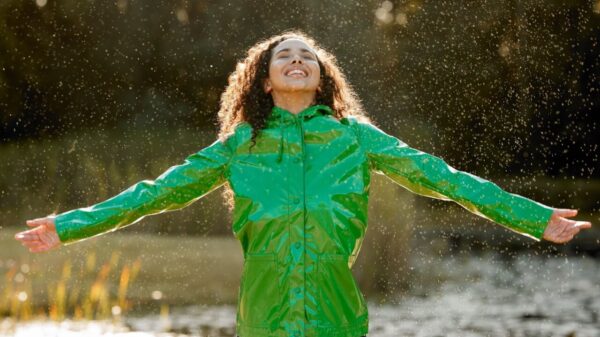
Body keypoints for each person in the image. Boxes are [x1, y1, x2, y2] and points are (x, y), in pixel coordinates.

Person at [15, 29, 592, 337]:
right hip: (263, 318)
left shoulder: (356, 138)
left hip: (338, 317)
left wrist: (533, 217)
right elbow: (153, 193)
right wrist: (68, 226)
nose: (297, 59)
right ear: (264, 81)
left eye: (308, 56)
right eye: (284, 56)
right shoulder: (239, 146)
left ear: (322, 78)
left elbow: (446, 180)